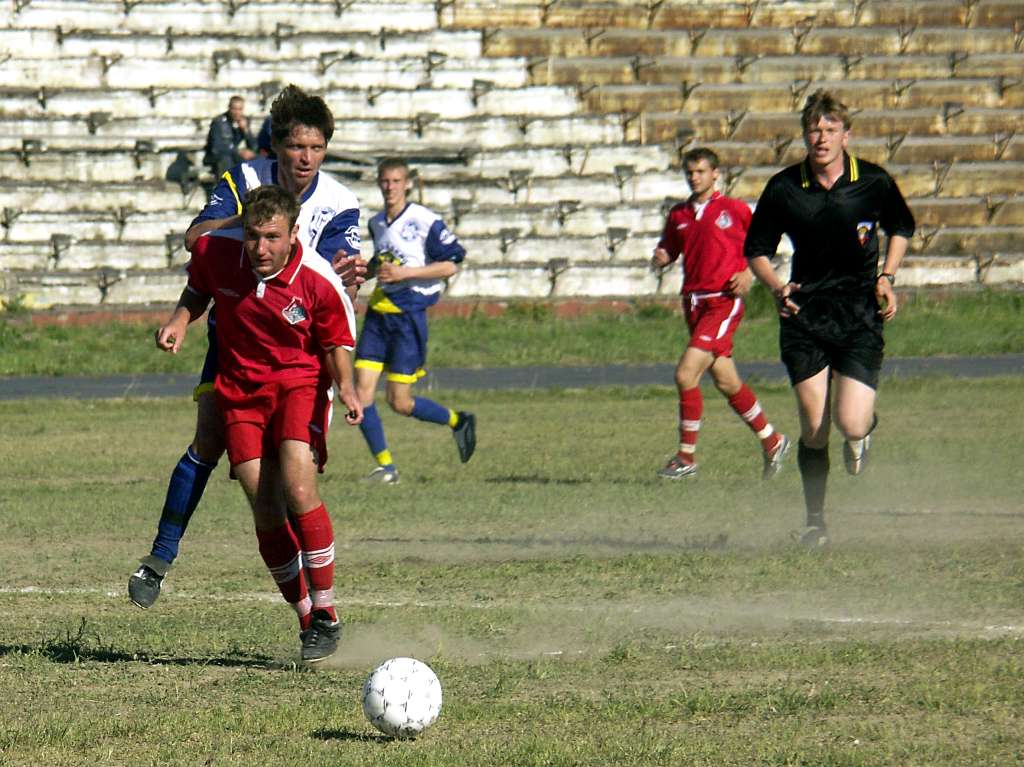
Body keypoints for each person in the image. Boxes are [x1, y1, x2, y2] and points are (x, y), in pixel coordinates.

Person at [129, 84, 366, 609]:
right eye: (295, 147)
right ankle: (161, 558)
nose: (305, 159)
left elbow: (331, 283)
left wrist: (352, 275)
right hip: (235, 342)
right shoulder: (246, 180)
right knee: (211, 443)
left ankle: (317, 601)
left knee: (289, 484)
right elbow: (199, 240)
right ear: (275, 147)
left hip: (297, 356)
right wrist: (254, 221)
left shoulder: (342, 204)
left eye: (316, 148)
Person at [154, 185, 363, 662]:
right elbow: (199, 287)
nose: (261, 248)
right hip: (240, 390)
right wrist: (179, 321)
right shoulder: (218, 252)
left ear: (293, 234)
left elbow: (335, 343)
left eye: (272, 237)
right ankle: (308, 620)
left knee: (297, 484)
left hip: (299, 386)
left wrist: (347, 388)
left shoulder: (317, 280)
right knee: (262, 503)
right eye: (252, 236)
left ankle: (328, 610)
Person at [745, 89, 915, 547]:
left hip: (859, 313)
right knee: (814, 427)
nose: (821, 137)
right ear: (804, 135)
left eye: (830, 129)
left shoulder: (873, 181)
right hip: (805, 314)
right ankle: (816, 523)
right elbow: (756, 249)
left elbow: (902, 225)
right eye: (813, 130)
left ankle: (862, 434)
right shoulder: (785, 186)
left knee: (851, 423)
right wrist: (777, 285)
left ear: (846, 134)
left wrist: (887, 276)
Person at [652, 147, 790, 481]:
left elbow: (763, 243)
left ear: (716, 174)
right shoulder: (679, 215)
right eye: (690, 172)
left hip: (722, 302)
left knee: (686, 374)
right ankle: (773, 440)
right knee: (726, 381)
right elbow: (672, 247)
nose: (694, 177)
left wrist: (747, 272)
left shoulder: (734, 210)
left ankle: (686, 457)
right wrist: (662, 256)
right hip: (694, 303)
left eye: (701, 171)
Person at [354, 157, 476, 484]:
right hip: (378, 316)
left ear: (407, 183)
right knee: (360, 394)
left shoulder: (424, 220)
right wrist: (359, 271)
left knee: (400, 402)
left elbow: (451, 264)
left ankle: (457, 421)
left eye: (396, 181)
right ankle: (387, 468)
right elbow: (380, 265)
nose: (390, 187)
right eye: (385, 181)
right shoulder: (377, 223)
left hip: (408, 319)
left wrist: (407, 273)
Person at [202, 95, 257, 178]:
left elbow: (254, 146)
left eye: (240, 109)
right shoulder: (219, 122)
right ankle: (226, 188)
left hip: (233, 154)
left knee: (257, 159)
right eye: (234, 109)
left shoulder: (244, 121)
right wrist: (238, 151)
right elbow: (217, 147)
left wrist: (245, 130)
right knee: (226, 159)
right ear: (229, 108)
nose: (237, 112)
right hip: (215, 156)